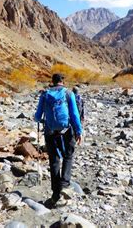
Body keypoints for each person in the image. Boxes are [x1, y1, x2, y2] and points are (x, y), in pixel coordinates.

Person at [34, 73, 83, 208]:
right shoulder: (68, 93)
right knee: (68, 156)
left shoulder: (45, 94)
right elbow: (74, 114)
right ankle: (65, 186)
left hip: (50, 131)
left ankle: (55, 195)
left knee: (54, 160)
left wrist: (42, 119)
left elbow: (37, 117)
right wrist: (79, 131)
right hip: (66, 130)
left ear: (52, 81)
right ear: (62, 81)